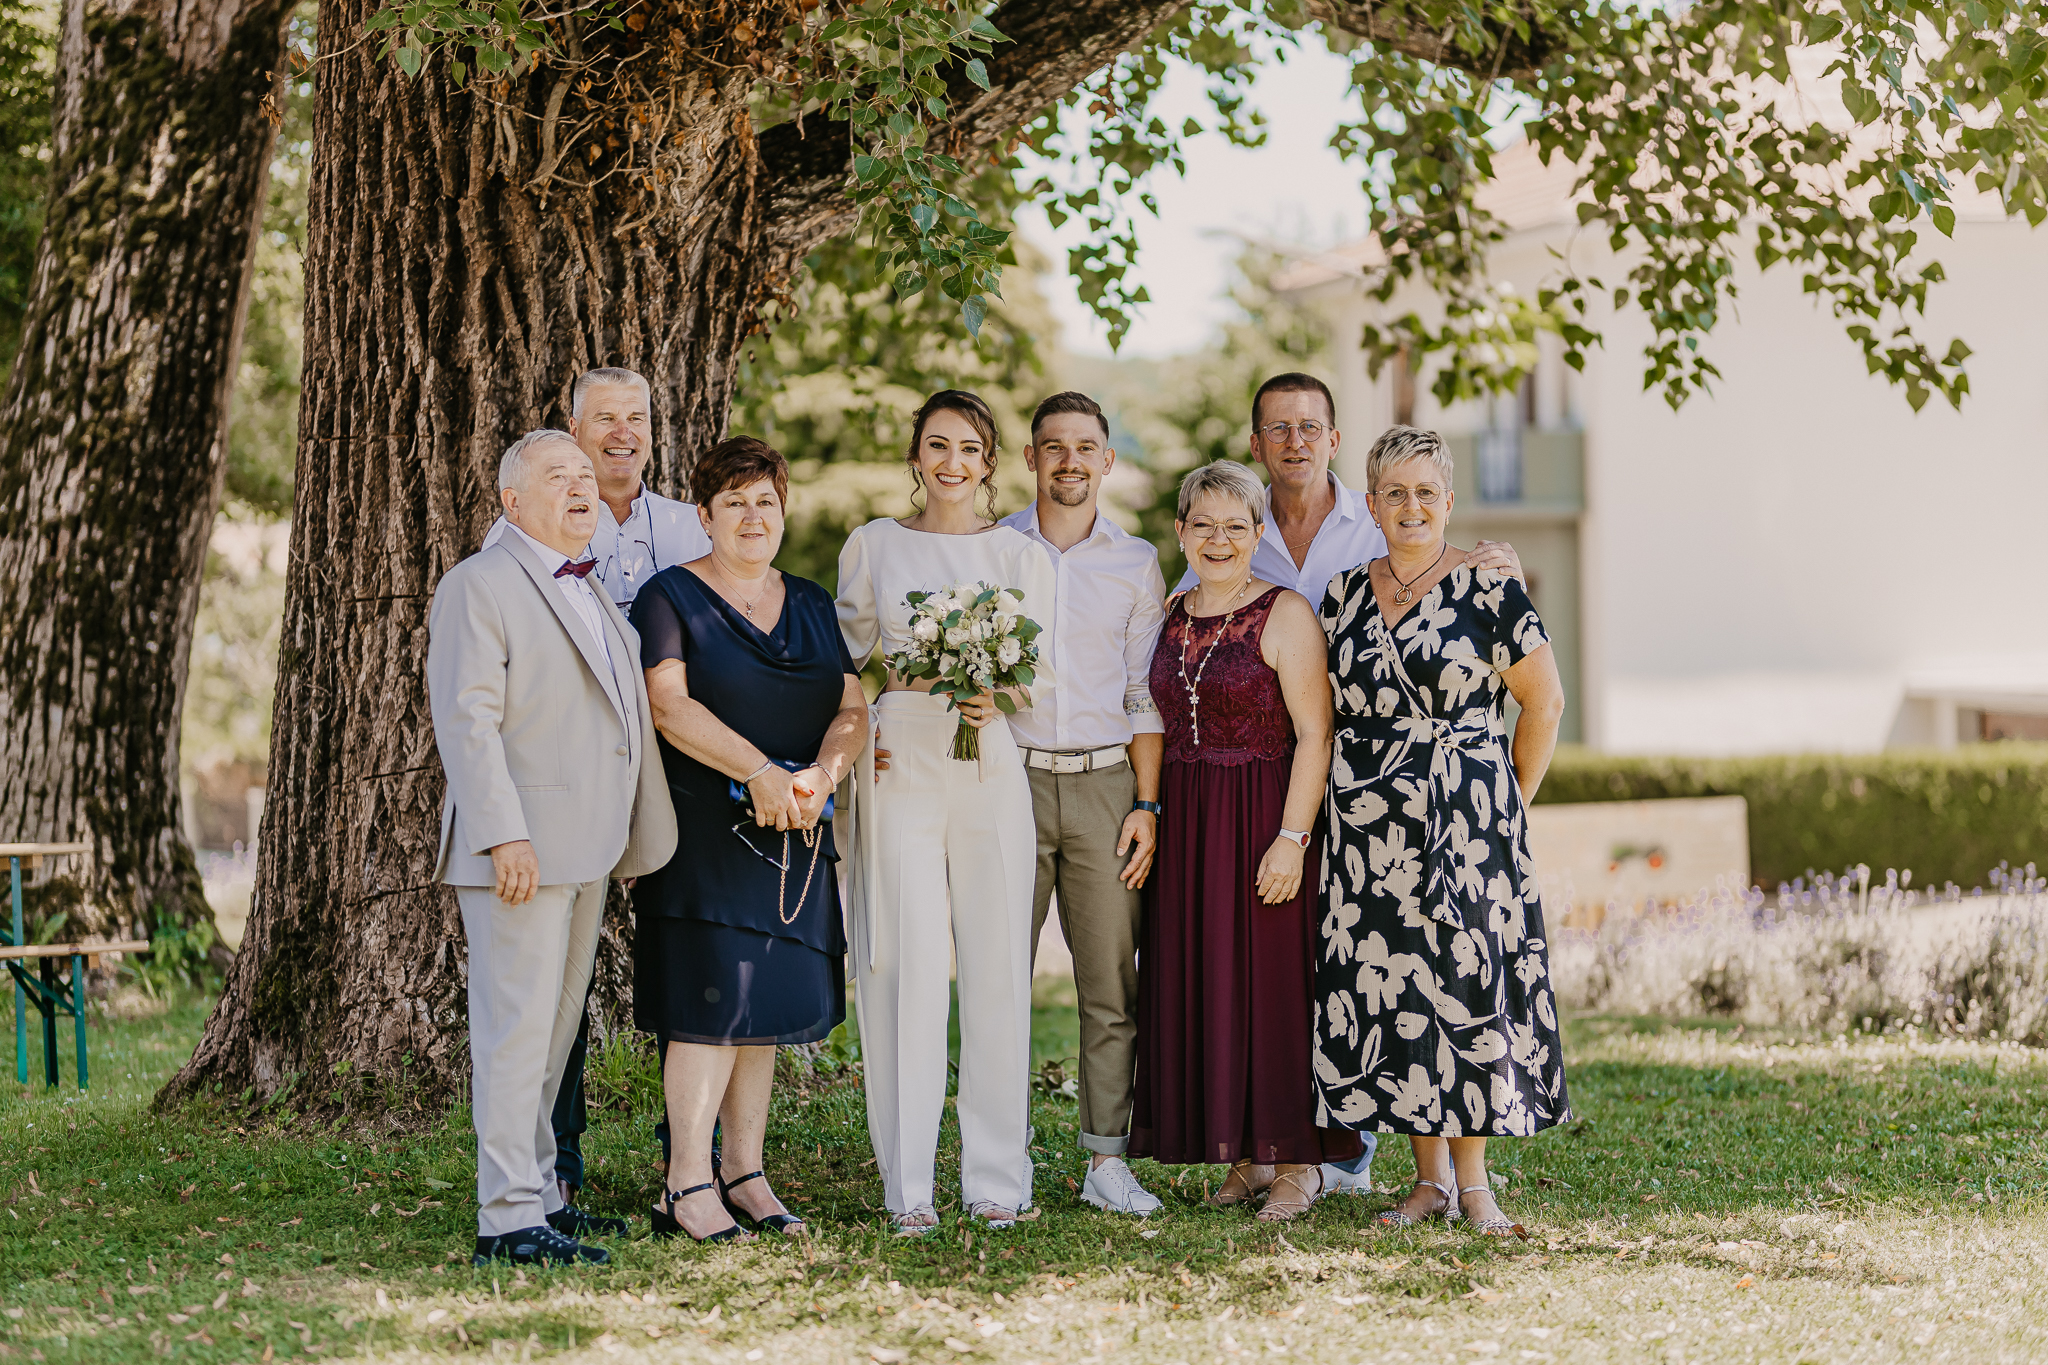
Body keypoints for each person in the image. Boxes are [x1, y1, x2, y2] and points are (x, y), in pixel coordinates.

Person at [1170, 371, 1523, 1197]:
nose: (1295, 440)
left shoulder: (1378, 526)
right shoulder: (1237, 527)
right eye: (1278, 427)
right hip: (1285, 782)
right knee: (1312, 967)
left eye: (1310, 426)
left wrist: (1510, 795)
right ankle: (1277, 1143)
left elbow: (1446, 575)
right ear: (1256, 443)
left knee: (1406, 969)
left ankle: (1354, 1158)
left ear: (1333, 439)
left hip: (1388, 791)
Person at [427, 429, 677, 1266]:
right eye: (558, 475)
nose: (580, 486)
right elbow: (467, 721)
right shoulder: (479, 584)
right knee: (514, 1033)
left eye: (584, 474)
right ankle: (504, 1218)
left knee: (553, 1036)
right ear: (512, 501)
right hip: (520, 851)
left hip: (585, 852)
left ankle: (540, 1196)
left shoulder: (587, 585)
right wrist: (504, 833)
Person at [1312, 425, 1569, 1237]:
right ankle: (1426, 1181)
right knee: (1399, 991)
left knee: (1466, 982)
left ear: (1449, 500)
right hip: (1368, 828)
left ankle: (1475, 1182)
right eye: (1394, 492)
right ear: (1371, 503)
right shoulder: (1341, 596)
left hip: (1468, 821)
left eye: (1426, 491)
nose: (1411, 506)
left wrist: (1508, 799)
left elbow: (1545, 702)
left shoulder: (1492, 589)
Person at [630, 436, 869, 1243]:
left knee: (759, 1009)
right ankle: (685, 1186)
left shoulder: (811, 602)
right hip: (705, 835)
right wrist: (761, 770)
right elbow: (669, 705)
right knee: (709, 1007)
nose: (752, 515)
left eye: (765, 500)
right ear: (704, 516)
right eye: (734, 502)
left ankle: (745, 1173)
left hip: (796, 834)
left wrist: (822, 777)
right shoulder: (669, 596)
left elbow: (852, 708)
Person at [483, 364, 711, 1206]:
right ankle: (556, 1165)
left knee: (688, 963)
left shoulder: (689, 527)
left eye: (637, 417)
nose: (623, 433)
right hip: (566, 786)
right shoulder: (516, 540)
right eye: (604, 418)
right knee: (559, 985)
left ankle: (690, 1159)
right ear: (572, 432)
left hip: (675, 779)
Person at [836, 390, 1058, 1236]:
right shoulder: (874, 544)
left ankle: (995, 1178)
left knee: (998, 963)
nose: (952, 462)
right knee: (905, 965)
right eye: (938, 445)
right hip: (902, 756)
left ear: (989, 461)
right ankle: (910, 1188)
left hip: (987, 757)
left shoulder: (1021, 555)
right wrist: (864, 728)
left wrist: (997, 695)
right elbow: (840, 660)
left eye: (969, 448)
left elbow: (1044, 678)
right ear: (916, 456)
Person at [1131, 459, 1362, 1222]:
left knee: (1274, 989)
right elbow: (1152, 716)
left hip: (1265, 816)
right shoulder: (1170, 613)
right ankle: (1247, 1153)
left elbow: (1316, 733)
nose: (1220, 539)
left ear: (1258, 533)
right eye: (1204, 524)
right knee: (1210, 981)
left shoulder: (1285, 612)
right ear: (1180, 531)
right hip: (1189, 823)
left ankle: (1298, 1162)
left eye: (1236, 525)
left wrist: (1293, 837)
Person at [998, 391, 1167, 1216]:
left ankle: (1106, 1160)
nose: (1070, 460)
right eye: (1054, 446)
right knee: (999, 978)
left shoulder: (1136, 562)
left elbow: (1143, 694)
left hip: (1106, 789)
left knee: (1110, 987)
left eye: (1085, 446)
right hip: (1009, 782)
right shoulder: (993, 549)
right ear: (1031, 457)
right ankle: (1001, 1160)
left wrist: (1147, 804)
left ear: (1107, 459)